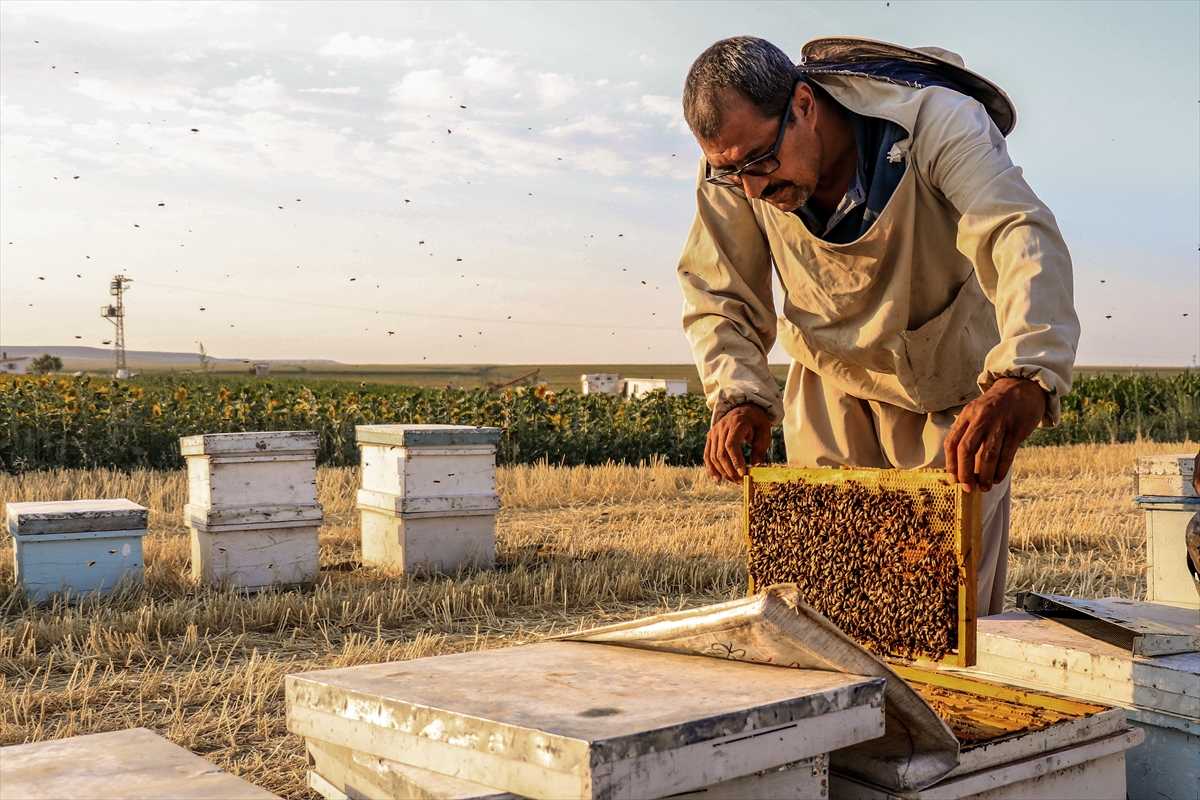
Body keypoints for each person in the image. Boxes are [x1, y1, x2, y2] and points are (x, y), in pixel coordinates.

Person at [677, 37, 1080, 615]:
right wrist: (738, 392)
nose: (752, 188)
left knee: (945, 618)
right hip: (829, 380)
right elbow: (718, 289)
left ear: (804, 104)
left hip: (949, 385)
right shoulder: (738, 165)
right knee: (825, 611)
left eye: (761, 162)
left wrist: (1027, 374)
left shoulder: (937, 122)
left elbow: (1017, 232)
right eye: (731, 171)